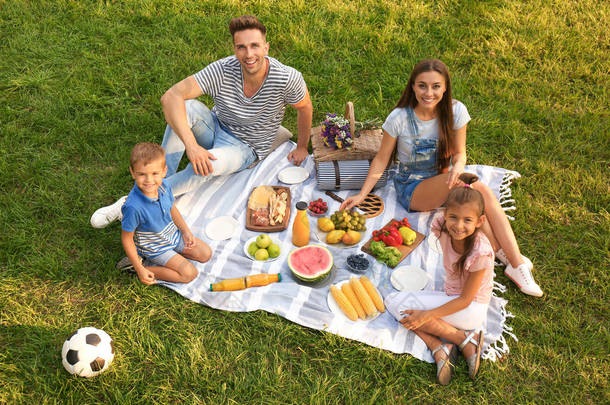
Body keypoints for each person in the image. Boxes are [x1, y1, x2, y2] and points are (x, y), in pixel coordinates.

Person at [340, 59, 542, 297]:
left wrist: (458, 167)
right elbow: (382, 159)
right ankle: (517, 265)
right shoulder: (399, 118)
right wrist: (363, 194)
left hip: (445, 179)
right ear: (413, 87)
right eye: (422, 86)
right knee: (479, 190)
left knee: (480, 196)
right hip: (412, 188)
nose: (429, 93)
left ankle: (505, 256)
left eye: (436, 86)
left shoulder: (456, 111)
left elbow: (460, 153)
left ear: (445, 87)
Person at [91, 15, 313, 227]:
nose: (248, 54)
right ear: (234, 49)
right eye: (241, 47)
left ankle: (133, 201)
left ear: (266, 47)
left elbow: (304, 107)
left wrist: (302, 146)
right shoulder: (223, 69)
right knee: (184, 107)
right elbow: (170, 97)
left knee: (206, 166)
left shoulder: (286, 78)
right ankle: (160, 180)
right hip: (216, 125)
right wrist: (192, 146)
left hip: (246, 147)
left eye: (255, 46)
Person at [385, 174, 493, 385]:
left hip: (470, 308)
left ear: (480, 221)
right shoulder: (441, 226)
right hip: (451, 296)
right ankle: (441, 344)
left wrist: (426, 316)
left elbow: (465, 300)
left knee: (394, 303)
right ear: (445, 214)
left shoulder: (480, 252)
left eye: (467, 220)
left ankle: (460, 340)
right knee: (403, 307)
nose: (458, 226)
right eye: (453, 217)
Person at [120, 142, 212, 285]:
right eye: (142, 174)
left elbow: (171, 208)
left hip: (172, 235)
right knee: (189, 274)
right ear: (132, 172)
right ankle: (141, 266)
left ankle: (173, 256)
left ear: (164, 171)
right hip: (155, 247)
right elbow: (127, 239)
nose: (149, 180)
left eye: (155, 173)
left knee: (205, 254)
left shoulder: (164, 186)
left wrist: (185, 231)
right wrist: (140, 270)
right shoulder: (133, 207)